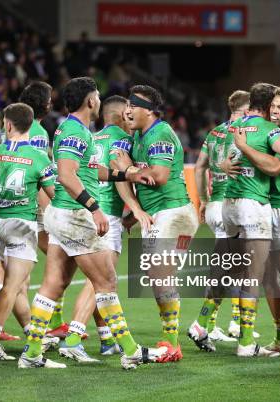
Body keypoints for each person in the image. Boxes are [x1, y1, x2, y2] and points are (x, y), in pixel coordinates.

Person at [18, 77, 165, 369]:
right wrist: (95, 208)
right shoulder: (75, 131)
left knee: (53, 285)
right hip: (75, 215)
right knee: (106, 281)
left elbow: (88, 170)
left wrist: (126, 175)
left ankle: (32, 353)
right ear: (90, 101)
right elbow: (67, 175)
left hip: (61, 213)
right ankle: (130, 349)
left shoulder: (72, 129)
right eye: (96, 95)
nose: (98, 100)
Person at [221, 82, 280, 357]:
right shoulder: (268, 133)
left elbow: (274, 167)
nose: (275, 111)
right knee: (267, 278)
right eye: (273, 106)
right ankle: (279, 335)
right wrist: (226, 164)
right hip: (264, 206)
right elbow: (233, 159)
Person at [57, 95, 153, 362]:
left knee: (101, 282)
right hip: (104, 217)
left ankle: (106, 339)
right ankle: (73, 339)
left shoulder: (92, 138)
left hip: (80, 212)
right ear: (123, 115)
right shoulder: (123, 141)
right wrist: (135, 209)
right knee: (99, 282)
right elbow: (118, 171)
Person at [117, 84, 200, 362]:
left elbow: (160, 175)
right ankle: (171, 339)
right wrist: (133, 212)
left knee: (158, 273)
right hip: (166, 213)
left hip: (174, 212)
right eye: (126, 105)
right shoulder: (140, 136)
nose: (127, 111)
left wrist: (127, 169)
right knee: (159, 277)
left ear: (150, 111)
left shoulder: (160, 133)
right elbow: (144, 177)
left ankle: (172, 344)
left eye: (133, 106)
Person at [0, 103, 56, 360]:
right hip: (23, 226)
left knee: (17, 286)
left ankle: (33, 332)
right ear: (30, 126)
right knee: (11, 286)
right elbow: (54, 195)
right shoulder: (38, 157)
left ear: (8, 125)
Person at [187, 90, 251, 352]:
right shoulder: (246, 131)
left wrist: (201, 199)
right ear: (246, 109)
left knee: (230, 270)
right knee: (238, 270)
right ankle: (215, 324)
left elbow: (200, 166)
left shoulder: (214, 133)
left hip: (214, 204)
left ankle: (211, 324)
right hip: (232, 205)